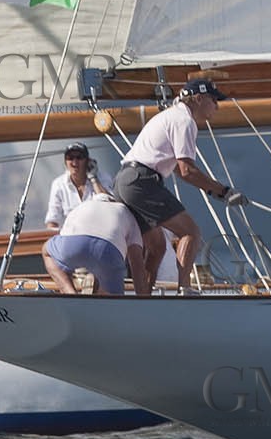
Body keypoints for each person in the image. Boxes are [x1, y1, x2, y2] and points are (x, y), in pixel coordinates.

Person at [113, 77, 246, 288]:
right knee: (190, 232)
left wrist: (214, 191)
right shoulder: (184, 121)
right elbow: (187, 171)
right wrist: (224, 191)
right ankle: (184, 291)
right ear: (199, 98)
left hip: (125, 180)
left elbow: (176, 166)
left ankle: (144, 299)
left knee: (156, 247)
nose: (217, 107)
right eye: (214, 100)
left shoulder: (169, 117)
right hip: (142, 182)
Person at [42, 193, 149, 296]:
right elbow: (137, 267)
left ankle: (70, 293)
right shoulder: (127, 213)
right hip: (107, 252)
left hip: (72, 245)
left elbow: (65, 234)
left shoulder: (82, 206)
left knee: (46, 252)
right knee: (113, 302)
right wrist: (146, 304)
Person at [45, 142, 110, 230]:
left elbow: (109, 207)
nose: (74, 162)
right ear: (65, 163)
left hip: (98, 234)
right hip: (70, 237)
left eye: (79, 157)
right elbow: (52, 221)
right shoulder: (58, 184)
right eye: (70, 158)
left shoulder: (103, 178)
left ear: (87, 161)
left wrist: (93, 178)